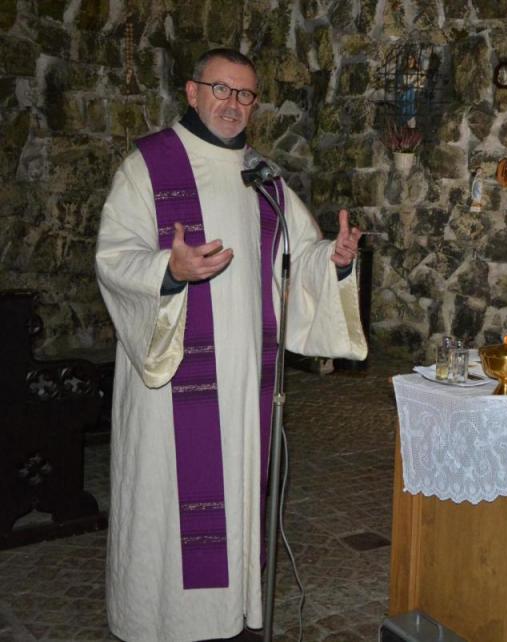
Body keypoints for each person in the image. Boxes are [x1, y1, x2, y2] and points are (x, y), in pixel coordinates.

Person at [95, 48, 367, 642]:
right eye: (221, 90)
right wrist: (170, 268)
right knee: (167, 502)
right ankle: (158, 618)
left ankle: (227, 616)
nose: (233, 104)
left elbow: (305, 253)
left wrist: (336, 261)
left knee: (237, 488)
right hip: (170, 384)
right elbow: (115, 258)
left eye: (245, 95)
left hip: (246, 379)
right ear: (192, 93)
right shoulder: (148, 165)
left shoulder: (262, 175)